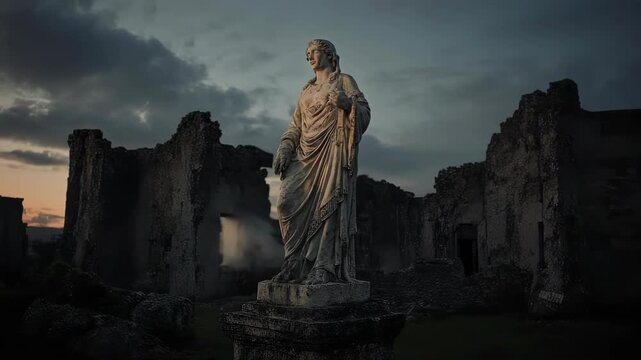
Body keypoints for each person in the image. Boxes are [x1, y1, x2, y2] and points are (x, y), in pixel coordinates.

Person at [272, 39, 370, 285]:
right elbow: (296, 124)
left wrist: (347, 105)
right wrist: (285, 147)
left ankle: (323, 267)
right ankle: (293, 263)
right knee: (285, 203)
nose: (309, 57)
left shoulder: (344, 80)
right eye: (306, 54)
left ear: (328, 54)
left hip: (332, 152)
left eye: (313, 52)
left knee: (329, 207)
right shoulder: (305, 90)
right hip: (305, 154)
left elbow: (365, 112)